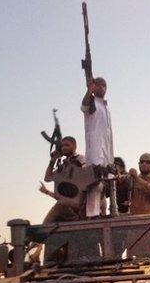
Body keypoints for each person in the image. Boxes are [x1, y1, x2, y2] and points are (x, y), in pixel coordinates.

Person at [81, 77, 116, 217]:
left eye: (104, 85)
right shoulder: (91, 102)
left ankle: (105, 213)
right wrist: (89, 91)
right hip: (95, 150)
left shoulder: (106, 107)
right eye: (99, 84)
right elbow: (84, 106)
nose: (102, 87)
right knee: (95, 184)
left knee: (107, 183)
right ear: (93, 86)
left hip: (107, 151)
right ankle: (92, 215)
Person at [40, 136, 86, 223]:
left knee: (46, 224)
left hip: (78, 202)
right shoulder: (63, 165)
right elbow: (47, 178)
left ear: (74, 146)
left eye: (67, 145)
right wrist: (53, 160)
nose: (64, 148)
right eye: (62, 146)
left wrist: (73, 168)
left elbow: (85, 173)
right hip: (66, 203)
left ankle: (76, 219)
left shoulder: (80, 159)